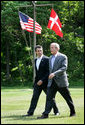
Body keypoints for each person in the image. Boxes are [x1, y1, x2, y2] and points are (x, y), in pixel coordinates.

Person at [37, 43, 76, 119]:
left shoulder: (63, 57)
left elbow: (64, 68)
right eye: (50, 47)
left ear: (57, 48)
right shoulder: (50, 57)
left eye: (52, 47)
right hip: (52, 82)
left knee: (67, 98)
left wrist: (54, 73)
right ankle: (45, 114)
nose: (50, 49)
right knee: (49, 98)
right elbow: (50, 69)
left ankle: (73, 112)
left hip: (61, 82)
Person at [24, 45, 59, 116]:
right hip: (37, 83)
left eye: (41, 50)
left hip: (46, 83)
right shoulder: (35, 60)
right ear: (35, 52)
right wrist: (35, 83)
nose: (40, 52)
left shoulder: (47, 59)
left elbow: (48, 72)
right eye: (38, 51)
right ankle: (30, 113)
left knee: (50, 98)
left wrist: (42, 80)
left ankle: (56, 111)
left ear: (42, 50)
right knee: (34, 97)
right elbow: (37, 73)